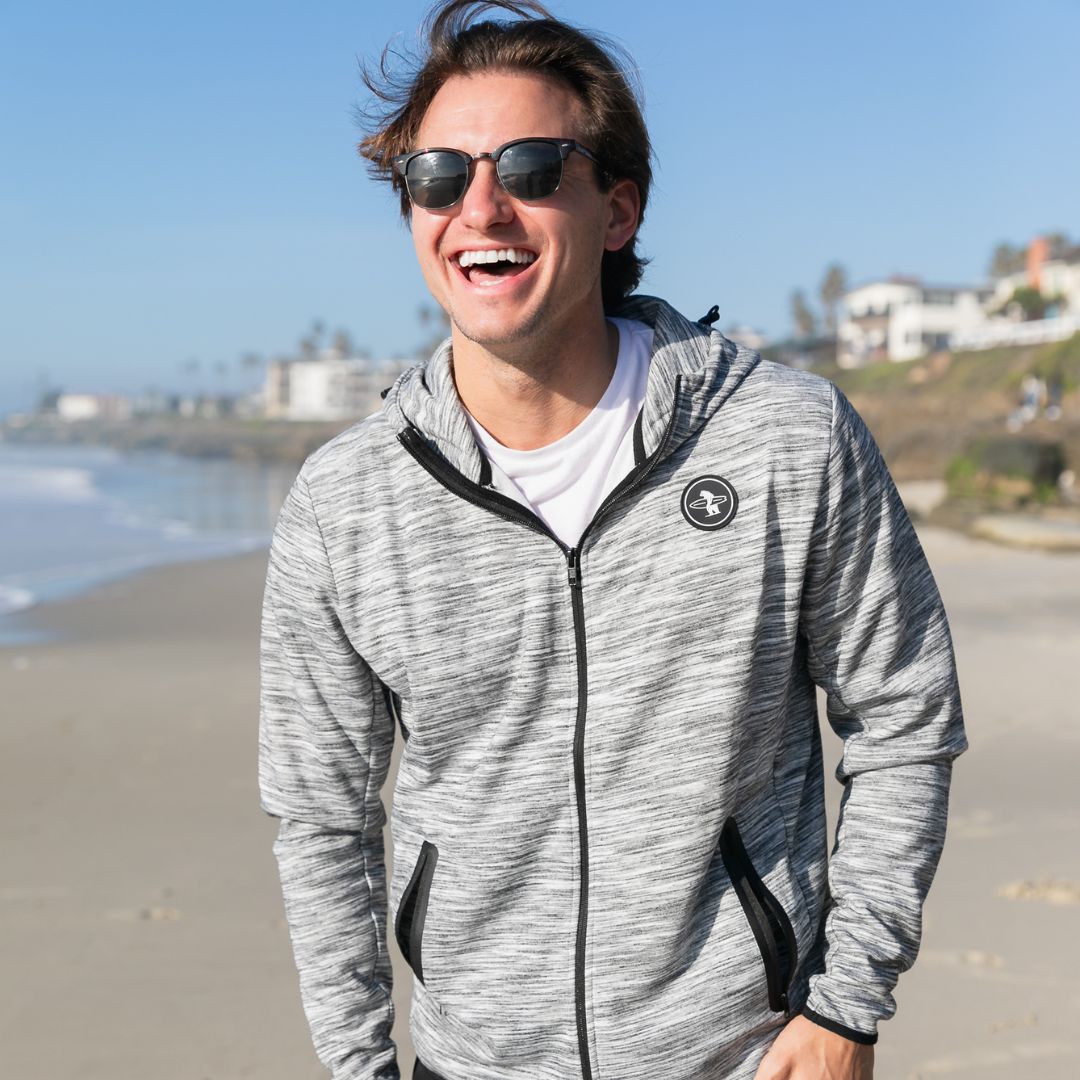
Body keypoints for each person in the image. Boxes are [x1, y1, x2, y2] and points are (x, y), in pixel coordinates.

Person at [257, 3, 967, 1078]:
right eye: (439, 175)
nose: (480, 208)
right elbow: (321, 820)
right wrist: (359, 1068)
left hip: (748, 1054)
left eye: (533, 168)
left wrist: (845, 1007)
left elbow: (906, 713)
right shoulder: (346, 503)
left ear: (617, 207)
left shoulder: (784, 437)